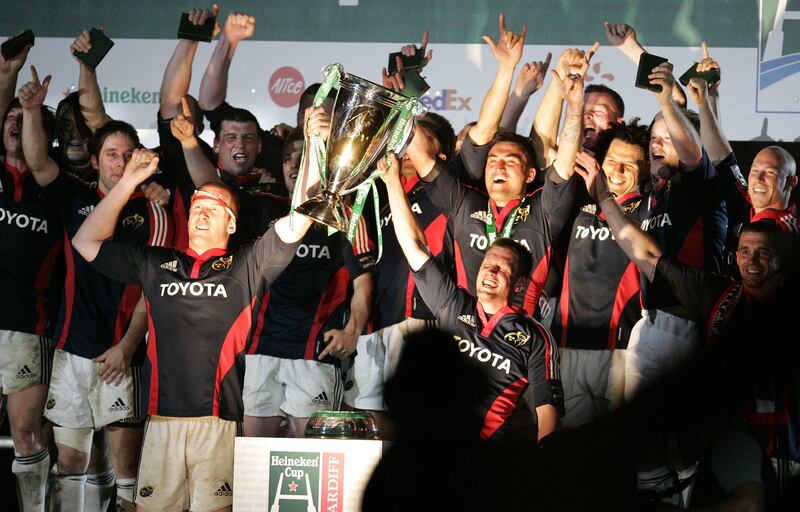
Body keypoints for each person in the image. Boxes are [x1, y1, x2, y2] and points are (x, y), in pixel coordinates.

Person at [71, 145, 317, 511]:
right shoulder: (156, 263)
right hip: (159, 420)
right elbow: (85, 241)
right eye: (197, 205)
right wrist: (128, 182)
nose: (201, 212)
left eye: (214, 207)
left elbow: (302, 216)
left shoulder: (248, 265)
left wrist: (313, 145)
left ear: (231, 224)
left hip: (217, 422)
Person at [19, 66, 171, 511]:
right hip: (71, 351)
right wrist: (31, 111)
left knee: (127, 471)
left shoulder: (154, 211)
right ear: (96, 159)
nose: (119, 163)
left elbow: (154, 290)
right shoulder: (75, 196)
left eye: (127, 155)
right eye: (111, 154)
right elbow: (39, 163)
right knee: (70, 463)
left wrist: (127, 346)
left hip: (122, 355)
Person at [379, 149, 563, 442]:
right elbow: (414, 246)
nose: (490, 272)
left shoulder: (536, 337)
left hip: (484, 456)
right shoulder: (454, 302)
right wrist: (391, 181)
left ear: (519, 284)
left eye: (501, 269)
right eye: (487, 265)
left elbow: (547, 410)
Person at [412, 13, 581, 317]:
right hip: (465, 328)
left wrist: (575, 107)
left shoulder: (543, 211)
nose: (498, 167)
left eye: (510, 161)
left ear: (530, 174)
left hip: (522, 331)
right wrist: (402, 98)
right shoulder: (464, 203)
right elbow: (422, 156)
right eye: (493, 160)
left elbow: (563, 161)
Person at [241, 112, 376, 439]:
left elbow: (363, 281)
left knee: (311, 455)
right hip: (260, 348)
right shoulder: (263, 207)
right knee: (252, 453)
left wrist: (352, 331)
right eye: (288, 159)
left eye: (304, 158)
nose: (294, 166)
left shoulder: (346, 217)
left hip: (314, 353)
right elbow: (211, 186)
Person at [553, 121, 652, 427]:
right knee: (570, 445)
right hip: (568, 343)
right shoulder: (578, 202)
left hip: (621, 349)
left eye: (629, 165)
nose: (617, 171)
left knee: (616, 446)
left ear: (646, 170)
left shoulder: (650, 210)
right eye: (612, 161)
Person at [0, 37, 60, 512]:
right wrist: (8, 74)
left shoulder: (53, 190)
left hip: (28, 328)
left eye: (26, 121)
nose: (16, 125)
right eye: (10, 119)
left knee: (25, 433)